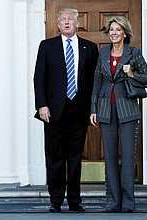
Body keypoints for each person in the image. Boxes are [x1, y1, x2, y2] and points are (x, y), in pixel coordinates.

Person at [34, 8, 98, 212]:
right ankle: (55, 201)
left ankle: (74, 201)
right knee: (55, 157)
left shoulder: (90, 47)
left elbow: (94, 82)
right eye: (63, 20)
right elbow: (39, 78)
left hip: (79, 110)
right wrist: (41, 105)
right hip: (52, 111)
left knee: (75, 158)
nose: (67, 22)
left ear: (77, 23)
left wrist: (93, 108)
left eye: (71, 19)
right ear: (58, 25)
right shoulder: (47, 46)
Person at [90, 16, 147, 213]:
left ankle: (128, 202)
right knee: (111, 157)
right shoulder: (103, 52)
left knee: (129, 157)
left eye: (117, 29)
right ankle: (113, 201)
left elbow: (146, 77)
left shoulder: (134, 53)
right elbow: (97, 81)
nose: (113, 33)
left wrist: (132, 74)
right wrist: (93, 109)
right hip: (106, 109)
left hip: (128, 110)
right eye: (111, 30)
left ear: (125, 33)